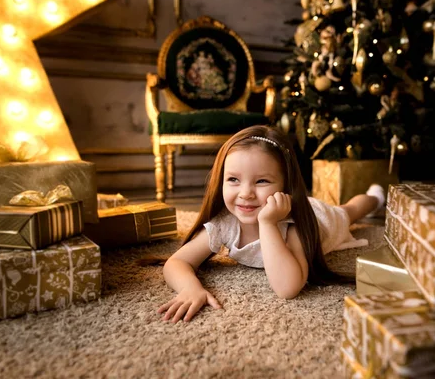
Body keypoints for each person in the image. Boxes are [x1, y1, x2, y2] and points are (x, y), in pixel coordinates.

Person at [156, 125, 385, 323]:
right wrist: (190, 288)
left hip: (318, 217)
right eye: (233, 179)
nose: (245, 193)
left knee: (349, 211)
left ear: (285, 186)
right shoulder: (226, 223)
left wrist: (267, 223)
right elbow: (176, 262)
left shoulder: (293, 225)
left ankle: (375, 198)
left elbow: (287, 288)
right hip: (282, 209)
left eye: (262, 181)